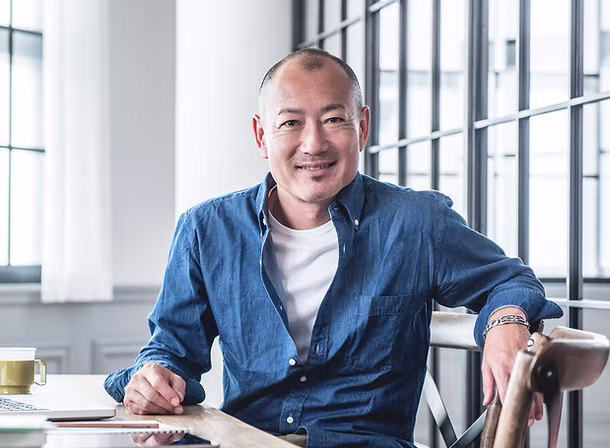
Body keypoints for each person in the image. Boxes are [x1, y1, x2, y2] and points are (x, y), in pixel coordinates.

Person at [104, 48, 563, 447]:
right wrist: (152, 378)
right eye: (290, 122)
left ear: (361, 127)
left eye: (333, 119)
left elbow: (511, 280)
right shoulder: (206, 230)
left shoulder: (417, 222)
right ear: (262, 135)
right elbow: (172, 350)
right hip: (246, 440)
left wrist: (506, 320)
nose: (314, 143)